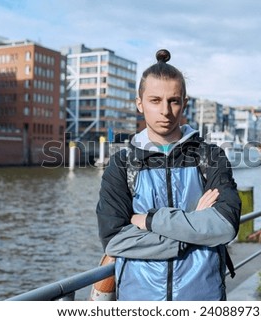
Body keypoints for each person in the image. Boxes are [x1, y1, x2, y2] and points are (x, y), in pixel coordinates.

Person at [96, 49, 241, 301]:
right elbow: (114, 241)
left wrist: (150, 220)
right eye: (155, 100)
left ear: (184, 103)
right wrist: (193, 227)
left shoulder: (210, 157)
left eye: (173, 101)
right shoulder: (122, 165)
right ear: (139, 103)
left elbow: (225, 226)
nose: (165, 111)